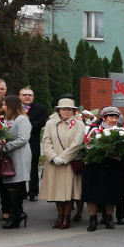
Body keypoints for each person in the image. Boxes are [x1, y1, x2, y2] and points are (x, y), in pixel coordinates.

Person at [39, 98, 85, 229]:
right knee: (56, 192)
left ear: (74, 111)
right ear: (58, 110)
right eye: (64, 109)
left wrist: (63, 158)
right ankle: (59, 216)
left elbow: (77, 144)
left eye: (69, 109)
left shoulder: (79, 124)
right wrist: (53, 157)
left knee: (69, 192)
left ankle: (66, 218)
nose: (66, 112)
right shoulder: (50, 124)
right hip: (54, 163)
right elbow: (46, 141)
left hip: (70, 163)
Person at [82, 107, 124, 231]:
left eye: (116, 118)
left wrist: (120, 154)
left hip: (113, 166)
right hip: (95, 165)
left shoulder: (121, 131)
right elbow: (88, 145)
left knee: (111, 192)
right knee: (92, 193)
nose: (114, 120)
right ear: (104, 118)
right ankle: (93, 220)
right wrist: (104, 152)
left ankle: (108, 218)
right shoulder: (95, 129)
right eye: (111, 117)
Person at [0, 94, 31, 229]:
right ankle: (17, 213)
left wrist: (6, 146)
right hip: (10, 156)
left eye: (5, 105)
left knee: (15, 185)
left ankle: (15, 215)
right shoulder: (8, 119)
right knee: (11, 186)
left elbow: (23, 138)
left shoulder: (22, 119)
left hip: (19, 155)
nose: (2, 107)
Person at [20, 88, 49, 201]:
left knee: (33, 169)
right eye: (24, 95)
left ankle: (33, 192)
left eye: (30, 95)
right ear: (19, 96)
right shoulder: (15, 108)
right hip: (18, 144)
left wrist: (25, 127)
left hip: (33, 143)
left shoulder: (40, 109)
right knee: (20, 168)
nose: (27, 97)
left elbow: (41, 122)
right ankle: (21, 191)